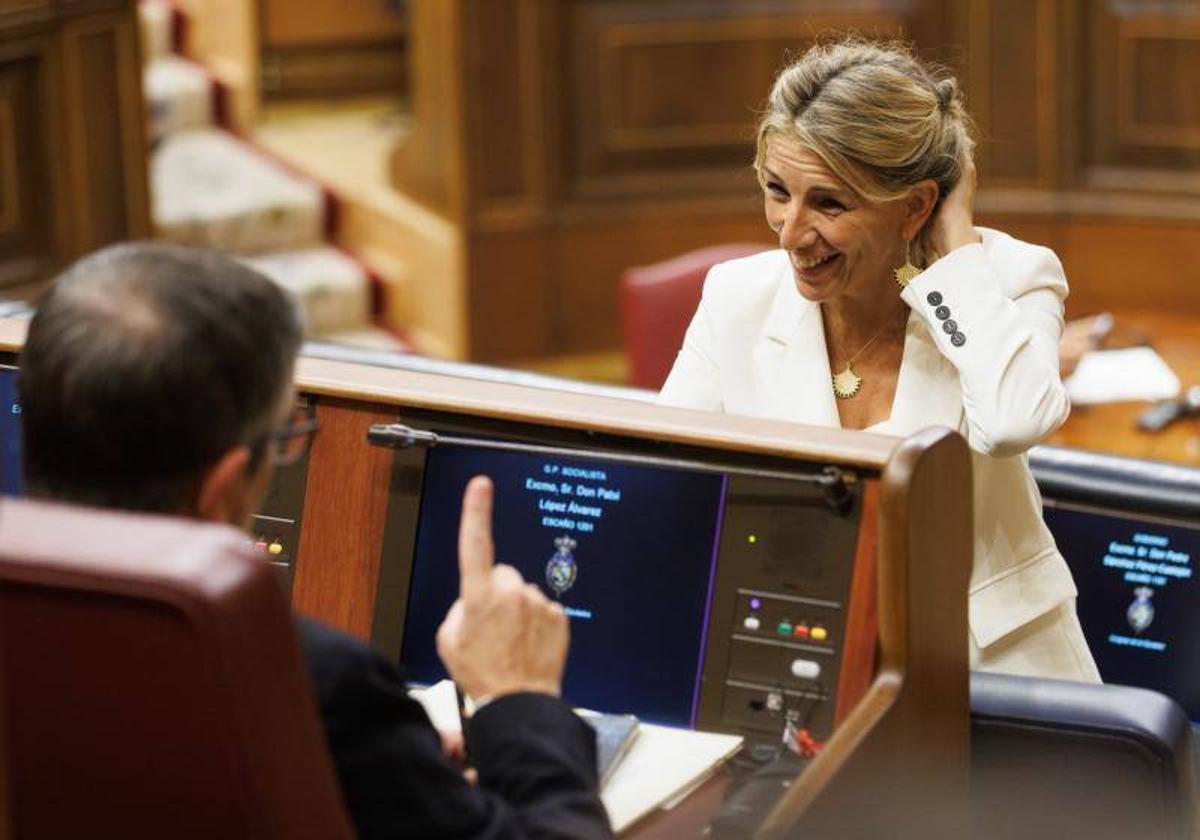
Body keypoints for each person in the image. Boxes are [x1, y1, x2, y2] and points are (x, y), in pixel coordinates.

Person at [18, 242, 613, 839]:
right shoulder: (311, 685)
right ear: (222, 484)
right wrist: (520, 697)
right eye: (285, 431)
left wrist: (402, 770)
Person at [660, 38, 1099, 681]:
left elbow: (1012, 422)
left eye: (829, 203)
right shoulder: (737, 297)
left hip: (994, 669)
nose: (790, 232)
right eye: (777, 191)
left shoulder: (1005, 278)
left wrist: (954, 252)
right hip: (805, 654)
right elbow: (672, 472)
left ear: (917, 205)